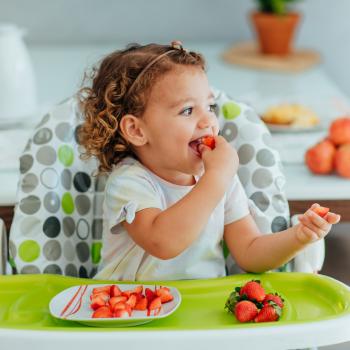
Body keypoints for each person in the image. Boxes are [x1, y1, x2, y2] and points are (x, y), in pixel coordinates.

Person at [78, 41, 341, 281]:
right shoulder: (129, 182)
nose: (208, 122)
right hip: (127, 315)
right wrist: (217, 178)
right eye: (188, 110)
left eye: (211, 107)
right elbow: (163, 242)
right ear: (137, 130)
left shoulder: (220, 179)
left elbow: (250, 253)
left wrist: (298, 237)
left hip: (203, 315)